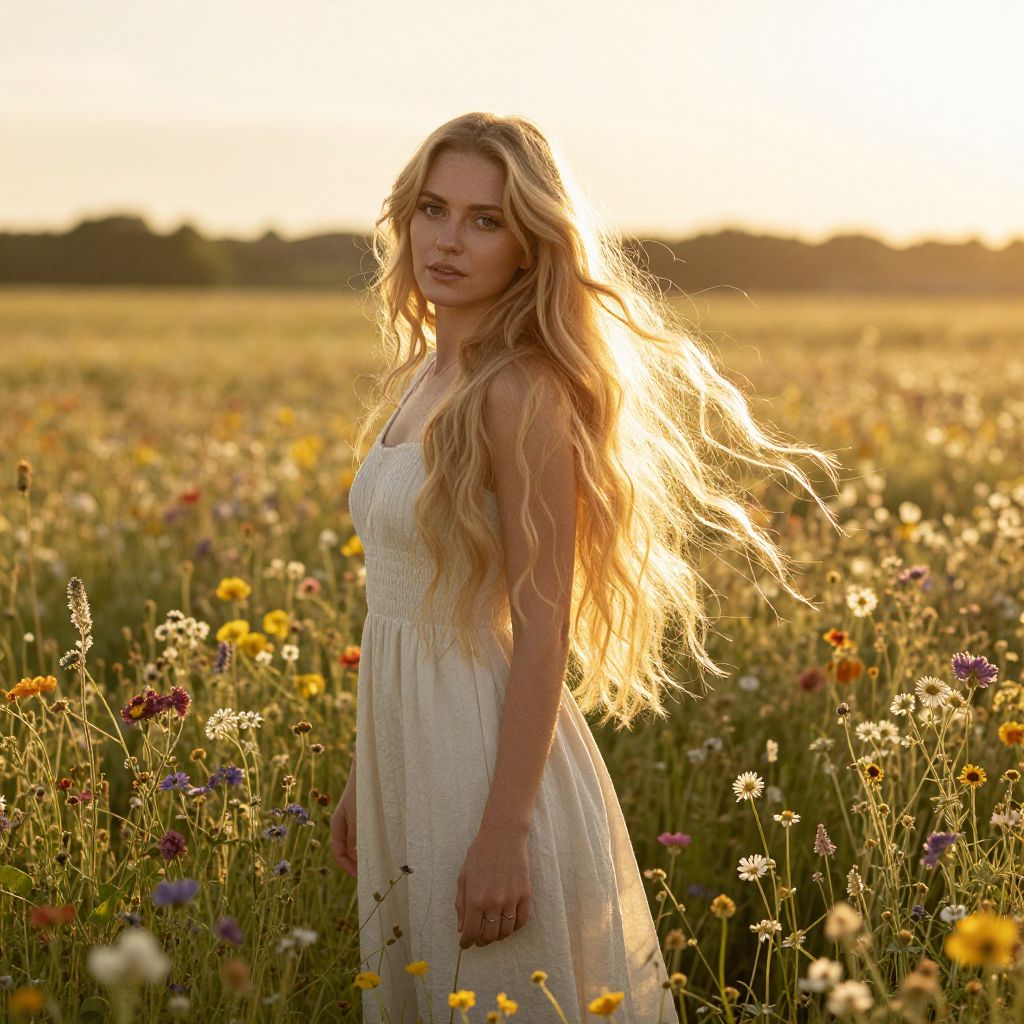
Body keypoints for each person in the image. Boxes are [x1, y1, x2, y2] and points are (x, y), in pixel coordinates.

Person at [330, 112, 842, 1023]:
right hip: (407, 745)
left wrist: (502, 833)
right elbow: (404, 601)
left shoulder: (517, 389)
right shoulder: (424, 377)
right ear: (405, 218)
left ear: (531, 248)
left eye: (486, 220)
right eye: (434, 209)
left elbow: (543, 624)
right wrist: (363, 778)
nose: (449, 240)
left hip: (481, 756)